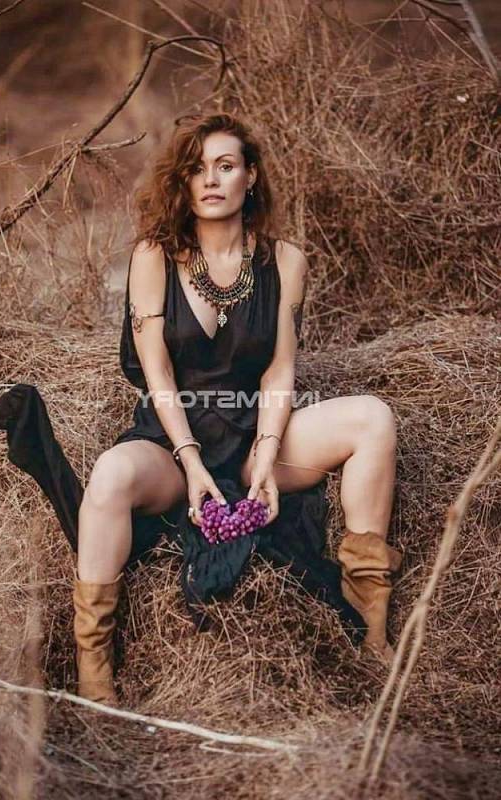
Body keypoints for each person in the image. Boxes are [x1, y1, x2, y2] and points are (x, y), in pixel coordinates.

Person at [73, 112, 402, 706]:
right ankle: (93, 665)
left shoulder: (285, 261)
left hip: (254, 435)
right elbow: (157, 373)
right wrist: (192, 463)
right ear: (182, 180)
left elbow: (279, 370)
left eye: (226, 166)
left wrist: (267, 457)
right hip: (174, 443)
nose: (211, 179)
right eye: (197, 168)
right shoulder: (154, 257)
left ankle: (370, 625)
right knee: (112, 474)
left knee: (371, 418)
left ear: (250, 176)